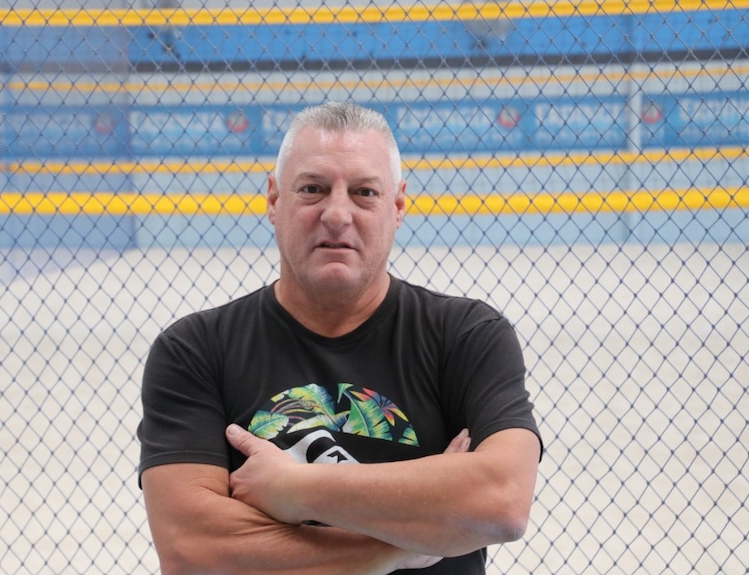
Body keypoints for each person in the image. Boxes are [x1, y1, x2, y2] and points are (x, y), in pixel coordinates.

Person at [137, 101, 542, 574]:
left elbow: (502, 500)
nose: (336, 214)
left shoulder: (466, 336)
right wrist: (400, 546)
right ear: (273, 200)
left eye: (365, 193)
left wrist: (294, 488)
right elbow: (192, 549)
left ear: (397, 206)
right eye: (313, 188)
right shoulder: (196, 349)